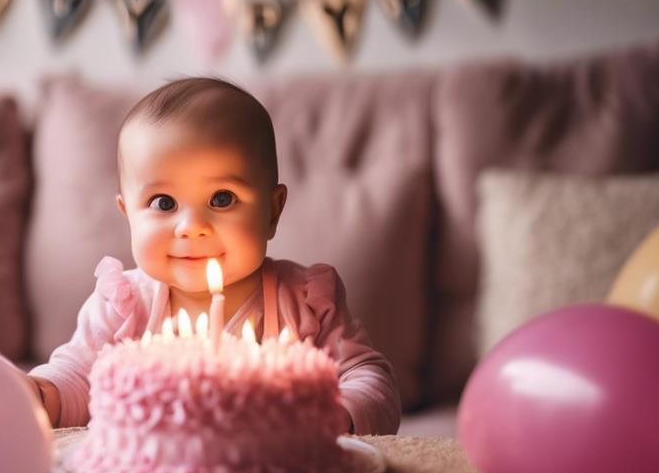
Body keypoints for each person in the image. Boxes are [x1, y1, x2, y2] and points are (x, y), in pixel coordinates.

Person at [26, 77, 401, 435]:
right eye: (164, 202)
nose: (191, 226)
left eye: (222, 198)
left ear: (272, 212)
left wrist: (338, 415)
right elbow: (76, 379)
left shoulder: (305, 304)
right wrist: (43, 396)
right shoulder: (123, 306)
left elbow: (370, 381)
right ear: (128, 215)